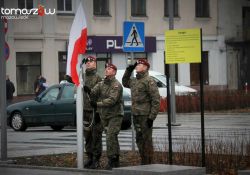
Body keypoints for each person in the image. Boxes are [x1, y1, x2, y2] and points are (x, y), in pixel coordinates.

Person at [84, 63, 123, 170]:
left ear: (114, 72)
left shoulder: (116, 85)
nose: (107, 70)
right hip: (105, 116)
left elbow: (112, 100)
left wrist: (97, 104)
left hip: (115, 115)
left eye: (109, 68)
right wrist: (87, 89)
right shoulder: (101, 84)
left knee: (110, 136)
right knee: (112, 138)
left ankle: (112, 160)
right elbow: (93, 93)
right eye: (106, 68)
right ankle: (115, 158)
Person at [122, 59, 160, 165]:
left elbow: (156, 100)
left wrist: (151, 118)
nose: (137, 66)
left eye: (140, 64)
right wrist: (128, 71)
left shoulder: (149, 81)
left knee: (147, 140)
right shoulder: (134, 80)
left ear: (145, 67)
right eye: (137, 64)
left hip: (145, 116)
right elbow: (125, 82)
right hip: (136, 115)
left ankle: (149, 162)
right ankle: (144, 160)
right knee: (139, 139)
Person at [81, 56, 103, 169]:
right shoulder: (83, 77)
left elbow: (101, 95)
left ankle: (96, 159)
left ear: (95, 64)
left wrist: (99, 112)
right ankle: (89, 157)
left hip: (94, 112)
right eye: (87, 62)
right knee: (87, 136)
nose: (89, 63)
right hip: (85, 111)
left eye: (91, 62)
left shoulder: (98, 78)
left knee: (96, 136)